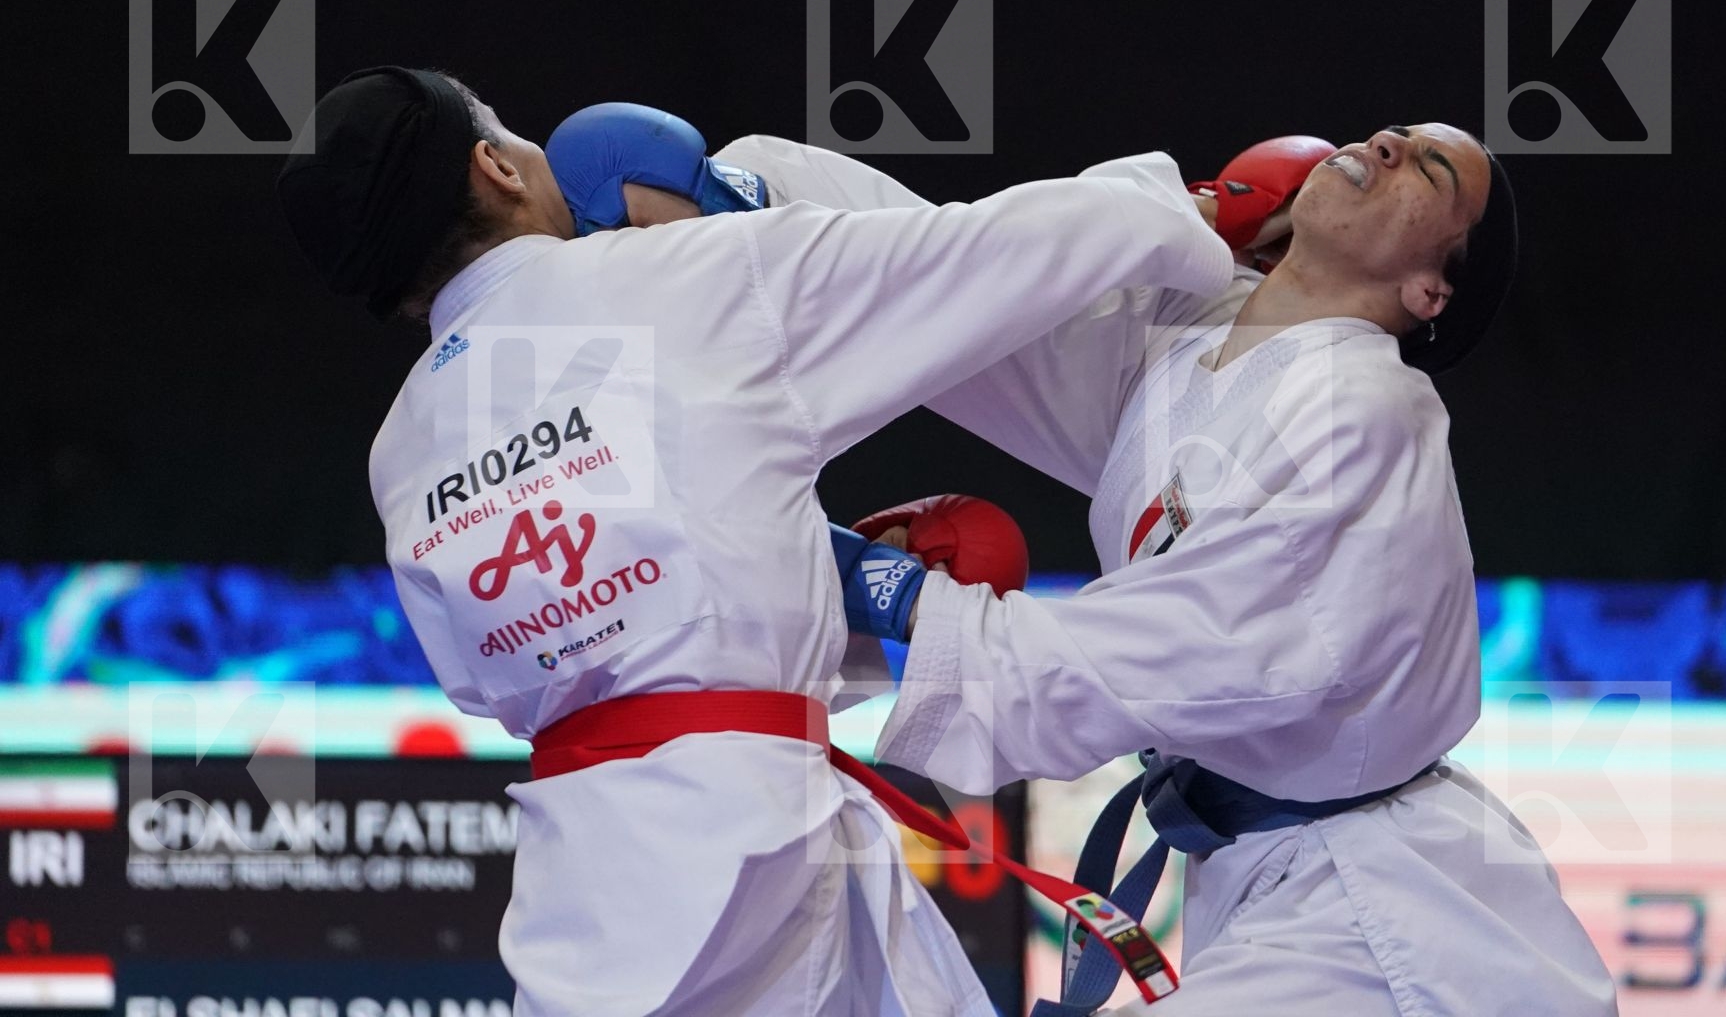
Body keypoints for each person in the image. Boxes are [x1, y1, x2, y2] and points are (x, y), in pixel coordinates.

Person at [272, 66, 1235, 1017]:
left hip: (587, 887)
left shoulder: (399, 450)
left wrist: (826, 580)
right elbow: (996, 252)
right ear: (497, 167)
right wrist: (1191, 210)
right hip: (748, 855)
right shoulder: (683, 273)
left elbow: (509, 681)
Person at [714, 125, 1619, 1015]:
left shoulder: (1369, 412)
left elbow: (1192, 645)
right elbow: (977, 292)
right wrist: (751, 204)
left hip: (1388, 919)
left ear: (1430, 291)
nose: (1385, 143)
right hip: (1270, 884)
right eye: (1394, 132)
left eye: (1429, 168)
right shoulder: (1187, 346)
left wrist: (898, 599)